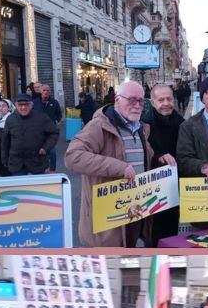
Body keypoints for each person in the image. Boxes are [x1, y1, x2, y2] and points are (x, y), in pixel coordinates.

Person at [64, 80, 154, 247]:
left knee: (127, 264)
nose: (137, 105)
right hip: (107, 219)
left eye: (141, 101)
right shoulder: (98, 126)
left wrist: (160, 157)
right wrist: (119, 167)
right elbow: (73, 157)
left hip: (133, 210)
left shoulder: (140, 127)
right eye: (132, 100)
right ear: (117, 100)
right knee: (109, 268)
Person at [141, 84, 183, 246]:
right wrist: (158, 157)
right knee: (152, 235)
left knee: (171, 233)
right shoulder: (144, 125)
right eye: (161, 100)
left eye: (169, 99)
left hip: (175, 187)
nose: (166, 103)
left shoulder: (182, 123)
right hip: (153, 190)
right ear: (152, 102)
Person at [1, 93, 58, 176]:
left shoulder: (41, 118)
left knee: (37, 187)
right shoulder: (11, 119)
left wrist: (46, 148)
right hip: (17, 162)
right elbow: (5, 141)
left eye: (26, 104)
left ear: (31, 105)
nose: (23, 107)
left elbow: (54, 132)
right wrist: (4, 159)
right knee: (20, 188)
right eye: (20, 105)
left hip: (37, 161)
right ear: (16, 105)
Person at [33, 84, 63, 171]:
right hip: (37, 132)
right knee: (38, 151)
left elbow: (59, 115)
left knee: (52, 152)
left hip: (50, 132)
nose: (46, 92)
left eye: (47, 90)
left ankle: (52, 170)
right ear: (40, 91)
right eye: (44, 90)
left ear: (50, 92)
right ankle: (40, 169)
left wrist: (56, 121)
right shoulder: (35, 103)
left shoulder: (54, 102)